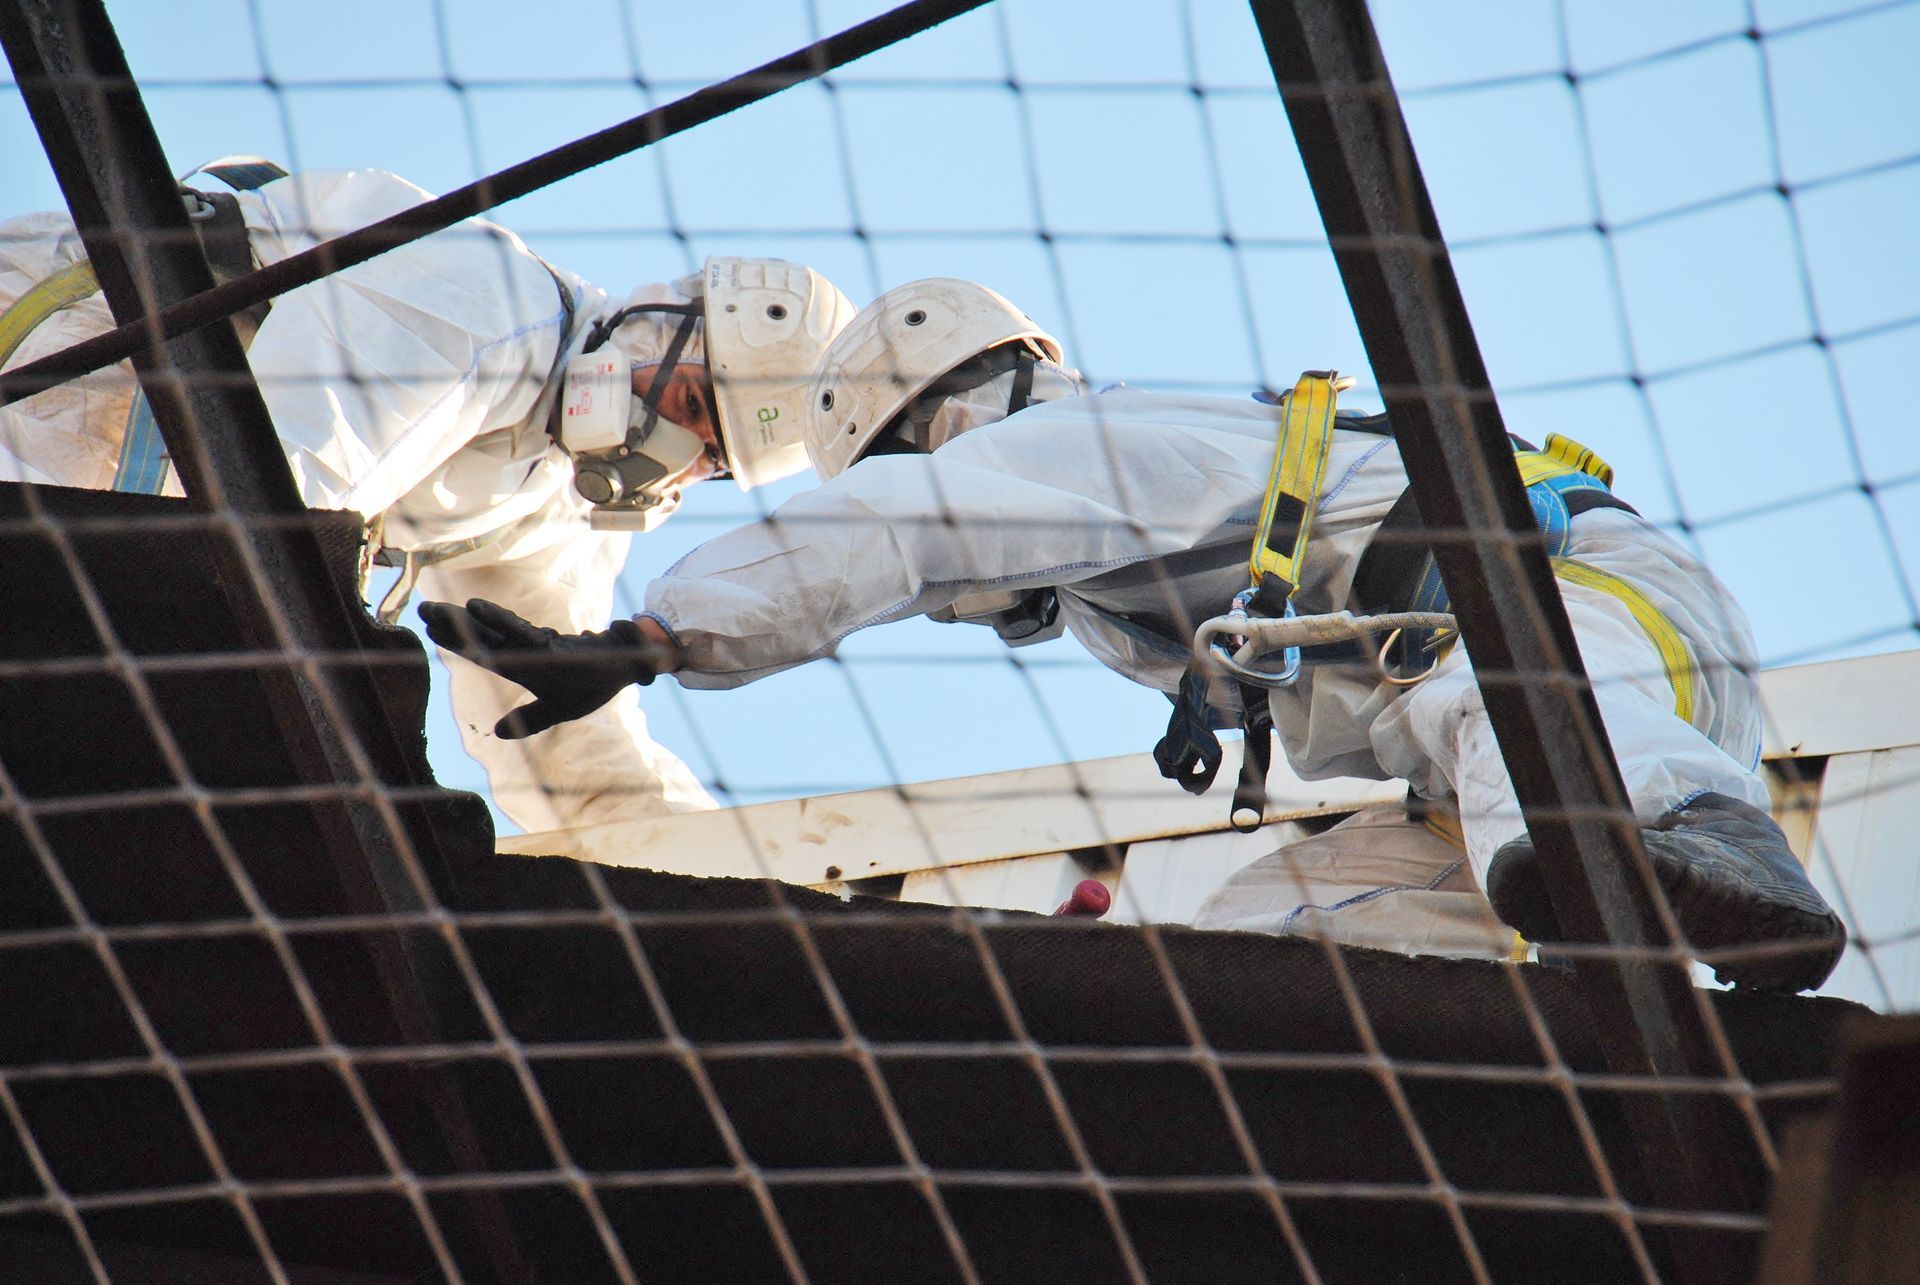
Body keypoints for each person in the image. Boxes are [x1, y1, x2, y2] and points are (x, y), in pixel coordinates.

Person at [420, 277, 1846, 992]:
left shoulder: (1095, 448)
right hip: (1478, 765)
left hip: (1589, 625)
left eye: (916, 458)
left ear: (951, 417)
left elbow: (920, 530)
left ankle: (1706, 853)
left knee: (1516, 716)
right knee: (1265, 974)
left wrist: (662, 636)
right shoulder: (1126, 590)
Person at [0, 164, 855, 845]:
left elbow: (565, 751)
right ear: (662, 322)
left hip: (105, 521)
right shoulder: (481, 300)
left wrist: (752, 866)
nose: (670, 456)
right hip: (54, 376)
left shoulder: (546, 501)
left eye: (706, 459)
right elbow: (266, 505)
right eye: (693, 408)